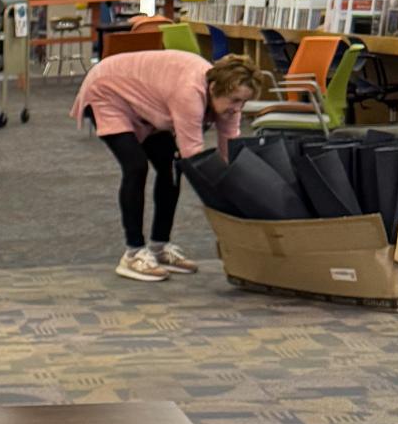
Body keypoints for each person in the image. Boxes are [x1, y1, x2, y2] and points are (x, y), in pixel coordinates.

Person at [72, 48, 261, 282]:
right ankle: (133, 253)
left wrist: (242, 192)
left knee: (171, 165)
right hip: (108, 90)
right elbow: (194, 157)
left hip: (147, 100)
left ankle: (159, 246)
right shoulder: (189, 93)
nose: (238, 108)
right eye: (235, 100)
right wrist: (224, 207)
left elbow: (229, 151)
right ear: (213, 89)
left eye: (244, 101)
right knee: (136, 166)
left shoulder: (228, 100)